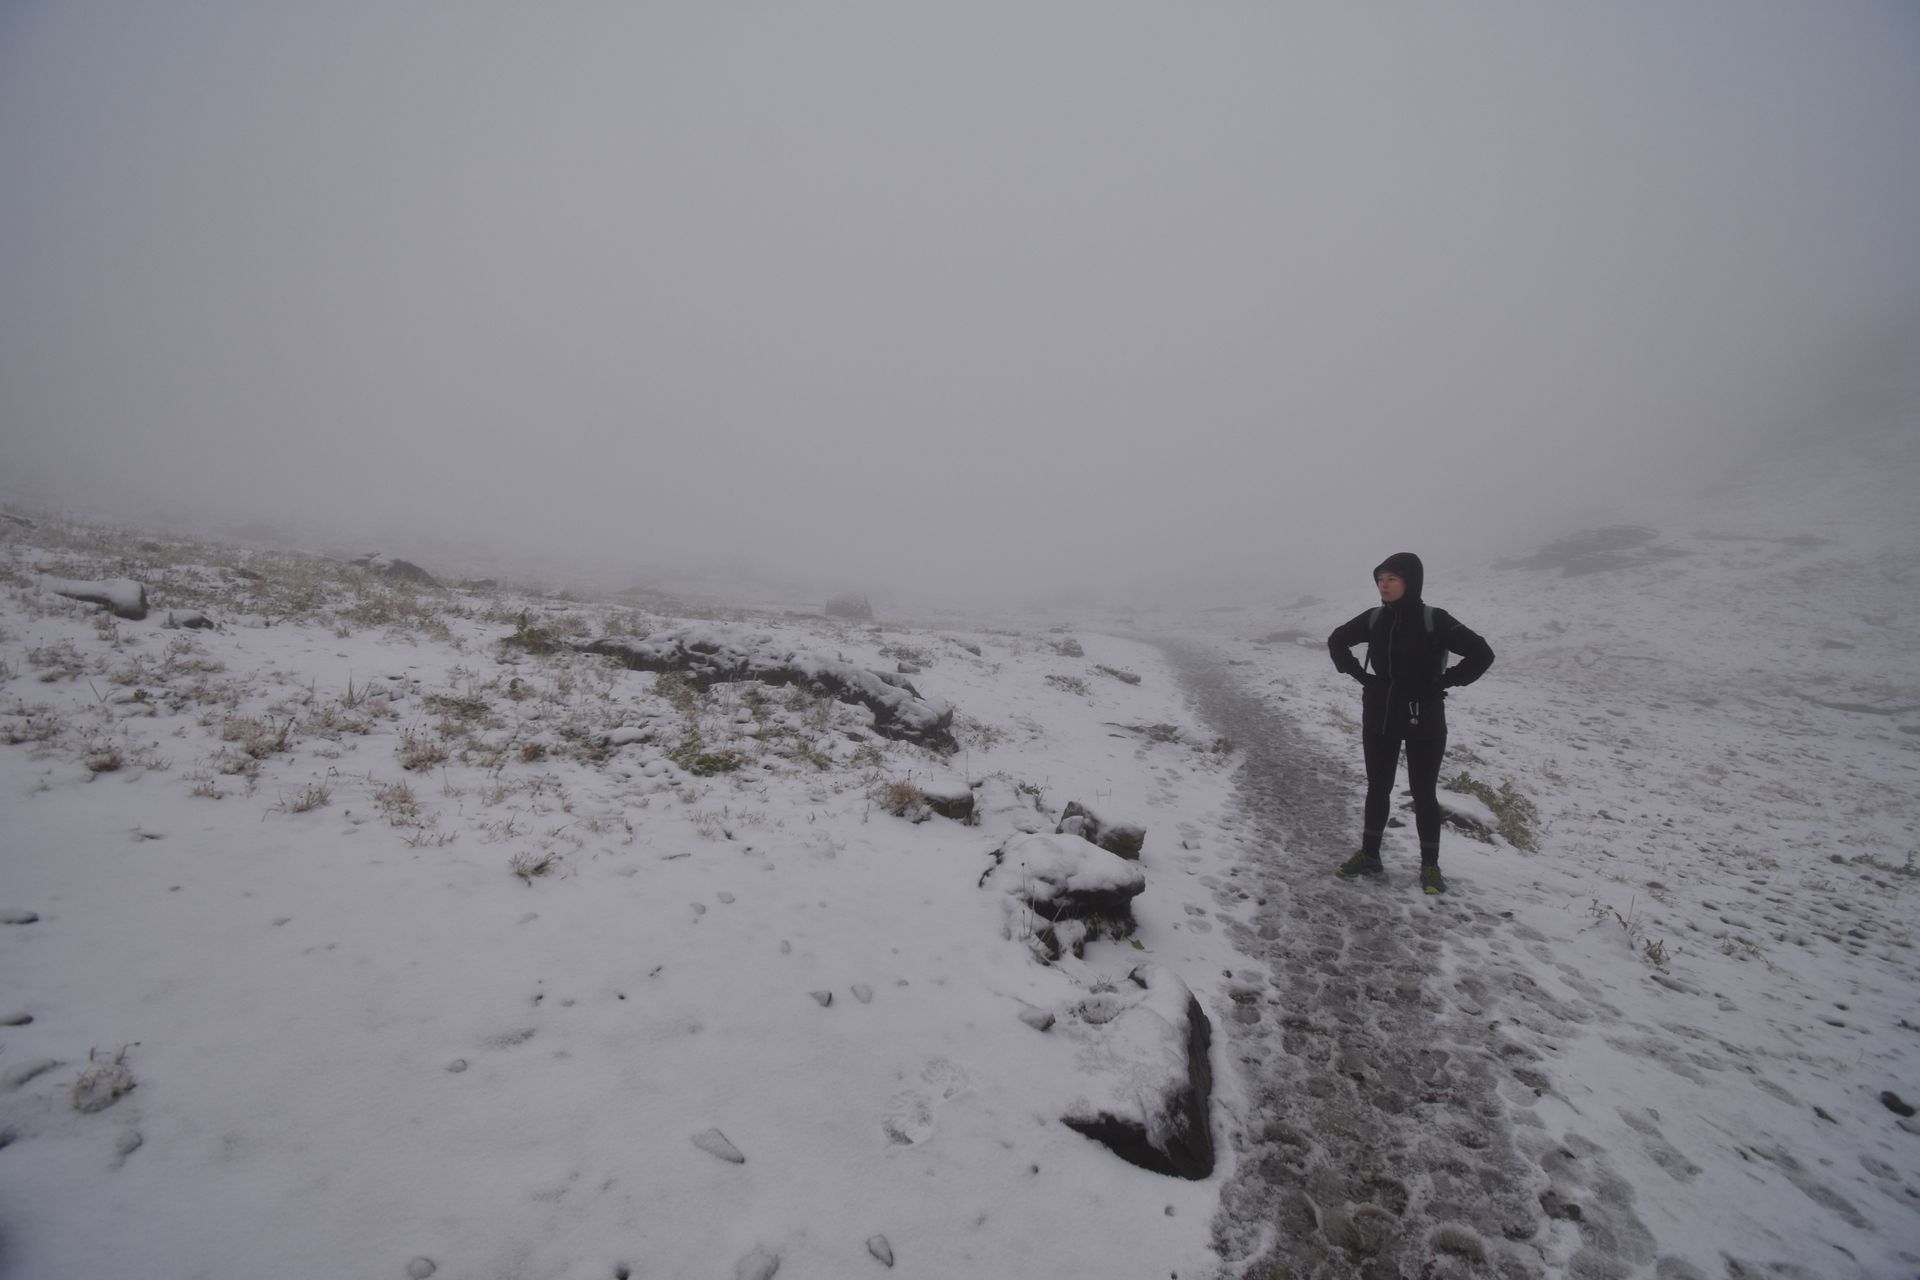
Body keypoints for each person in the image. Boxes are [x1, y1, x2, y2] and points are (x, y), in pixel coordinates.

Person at [1325, 552, 1494, 894]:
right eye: (1380, 580)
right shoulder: (1375, 618)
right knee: (1378, 786)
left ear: (1410, 582)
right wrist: (1361, 676)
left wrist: (1443, 682)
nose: (1383, 586)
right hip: (1380, 713)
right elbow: (1337, 640)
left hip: (1424, 717)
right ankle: (1370, 854)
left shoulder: (1435, 619)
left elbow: (1481, 653)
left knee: (1423, 792)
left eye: (1392, 579)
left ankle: (1430, 867)